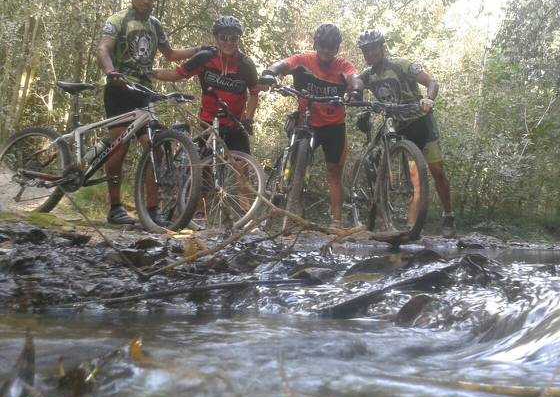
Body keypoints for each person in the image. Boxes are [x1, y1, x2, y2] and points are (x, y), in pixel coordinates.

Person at [97, 0, 200, 225]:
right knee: (119, 148)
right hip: (120, 88)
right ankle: (115, 207)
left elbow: (171, 54)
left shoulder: (155, 24)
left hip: (144, 92)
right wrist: (111, 72)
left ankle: (151, 210)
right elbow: (103, 48)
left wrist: (200, 50)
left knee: (154, 148)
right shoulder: (118, 19)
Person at [355, 29, 456, 238]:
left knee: (437, 171)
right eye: (366, 50)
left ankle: (448, 215)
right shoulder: (368, 75)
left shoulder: (401, 65)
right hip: (400, 128)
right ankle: (411, 226)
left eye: (374, 48)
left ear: (382, 47)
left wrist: (429, 99)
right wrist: (349, 93)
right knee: (413, 178)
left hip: (421, 122)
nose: (371, 53)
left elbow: (432, 82)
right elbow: (353, 84)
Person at [262, 23, 359, 228]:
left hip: (334, 127)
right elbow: (281, 65)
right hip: (307, 122)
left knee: (334, 173)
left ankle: (336, 222)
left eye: (331, 47)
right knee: (293, 167)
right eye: (323, 45)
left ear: (337, 48)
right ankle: (283, 210)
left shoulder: (342, 65)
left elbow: (354, 78)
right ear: (316, 44)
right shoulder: (303, 60)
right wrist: (271, 73)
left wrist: (356, 91)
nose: (326, 50)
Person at [150, 15, 259, 154]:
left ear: (238, 40)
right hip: (209, 121)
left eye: (233, 38)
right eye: (223, 37)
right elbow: (176, 74)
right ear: (216, 38)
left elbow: (254, 94)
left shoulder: (246, 64)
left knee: (242, 168)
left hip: (235, 123)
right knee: (205, 168)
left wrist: (248, 120)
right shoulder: (205, 57)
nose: (228, 42)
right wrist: (148, 72)